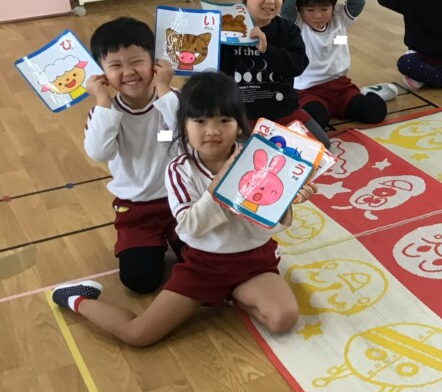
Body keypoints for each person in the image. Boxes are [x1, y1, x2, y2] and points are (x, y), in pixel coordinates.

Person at [50, 72, 312, 347]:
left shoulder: (257, 160)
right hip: (203, 266)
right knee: (137, 335)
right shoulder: (179, 169)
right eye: (200, 121)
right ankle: (76, 298)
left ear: (239, 125)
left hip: (252, 261)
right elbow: (189, 228)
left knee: (283, 319)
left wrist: (287, 203)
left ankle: (230, 292)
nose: (212, 130)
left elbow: (272, 224)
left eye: (224, 120)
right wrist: (219, 189)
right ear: (183, 125)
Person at [83, 17, 180, 294]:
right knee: (139, 280)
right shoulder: (104, 113)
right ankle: (153, 245)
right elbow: (99, 152)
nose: (128, 72)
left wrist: (164, 90)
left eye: (137, 61)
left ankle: (174, 245)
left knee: (205, 260)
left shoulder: (174, 100)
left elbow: (187, 138)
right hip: (135, 209)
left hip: (181, 201)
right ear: (102, 73)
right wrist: (102, 101)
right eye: (115, 66)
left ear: (155, 62)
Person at [223, 0, 329, 147]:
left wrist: (268, 50)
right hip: (244, 116)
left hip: (284, 110)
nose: (270, 1)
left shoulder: (288, 30)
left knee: (321, 146)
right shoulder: (230, 30)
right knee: (240, 152)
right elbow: (221, 72)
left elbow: (298, 66)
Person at [281, 0, 398, 127]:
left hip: (341, 88)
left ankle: (368, 93)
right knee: (313, 122)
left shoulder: (339, 16)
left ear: (333, 6)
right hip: (309, 92)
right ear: (299, 8)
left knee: (376, 111)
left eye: (324, 9)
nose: (318, 15)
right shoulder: (296, 23)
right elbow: (285, 8)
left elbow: (358, 1)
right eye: (310, 9)